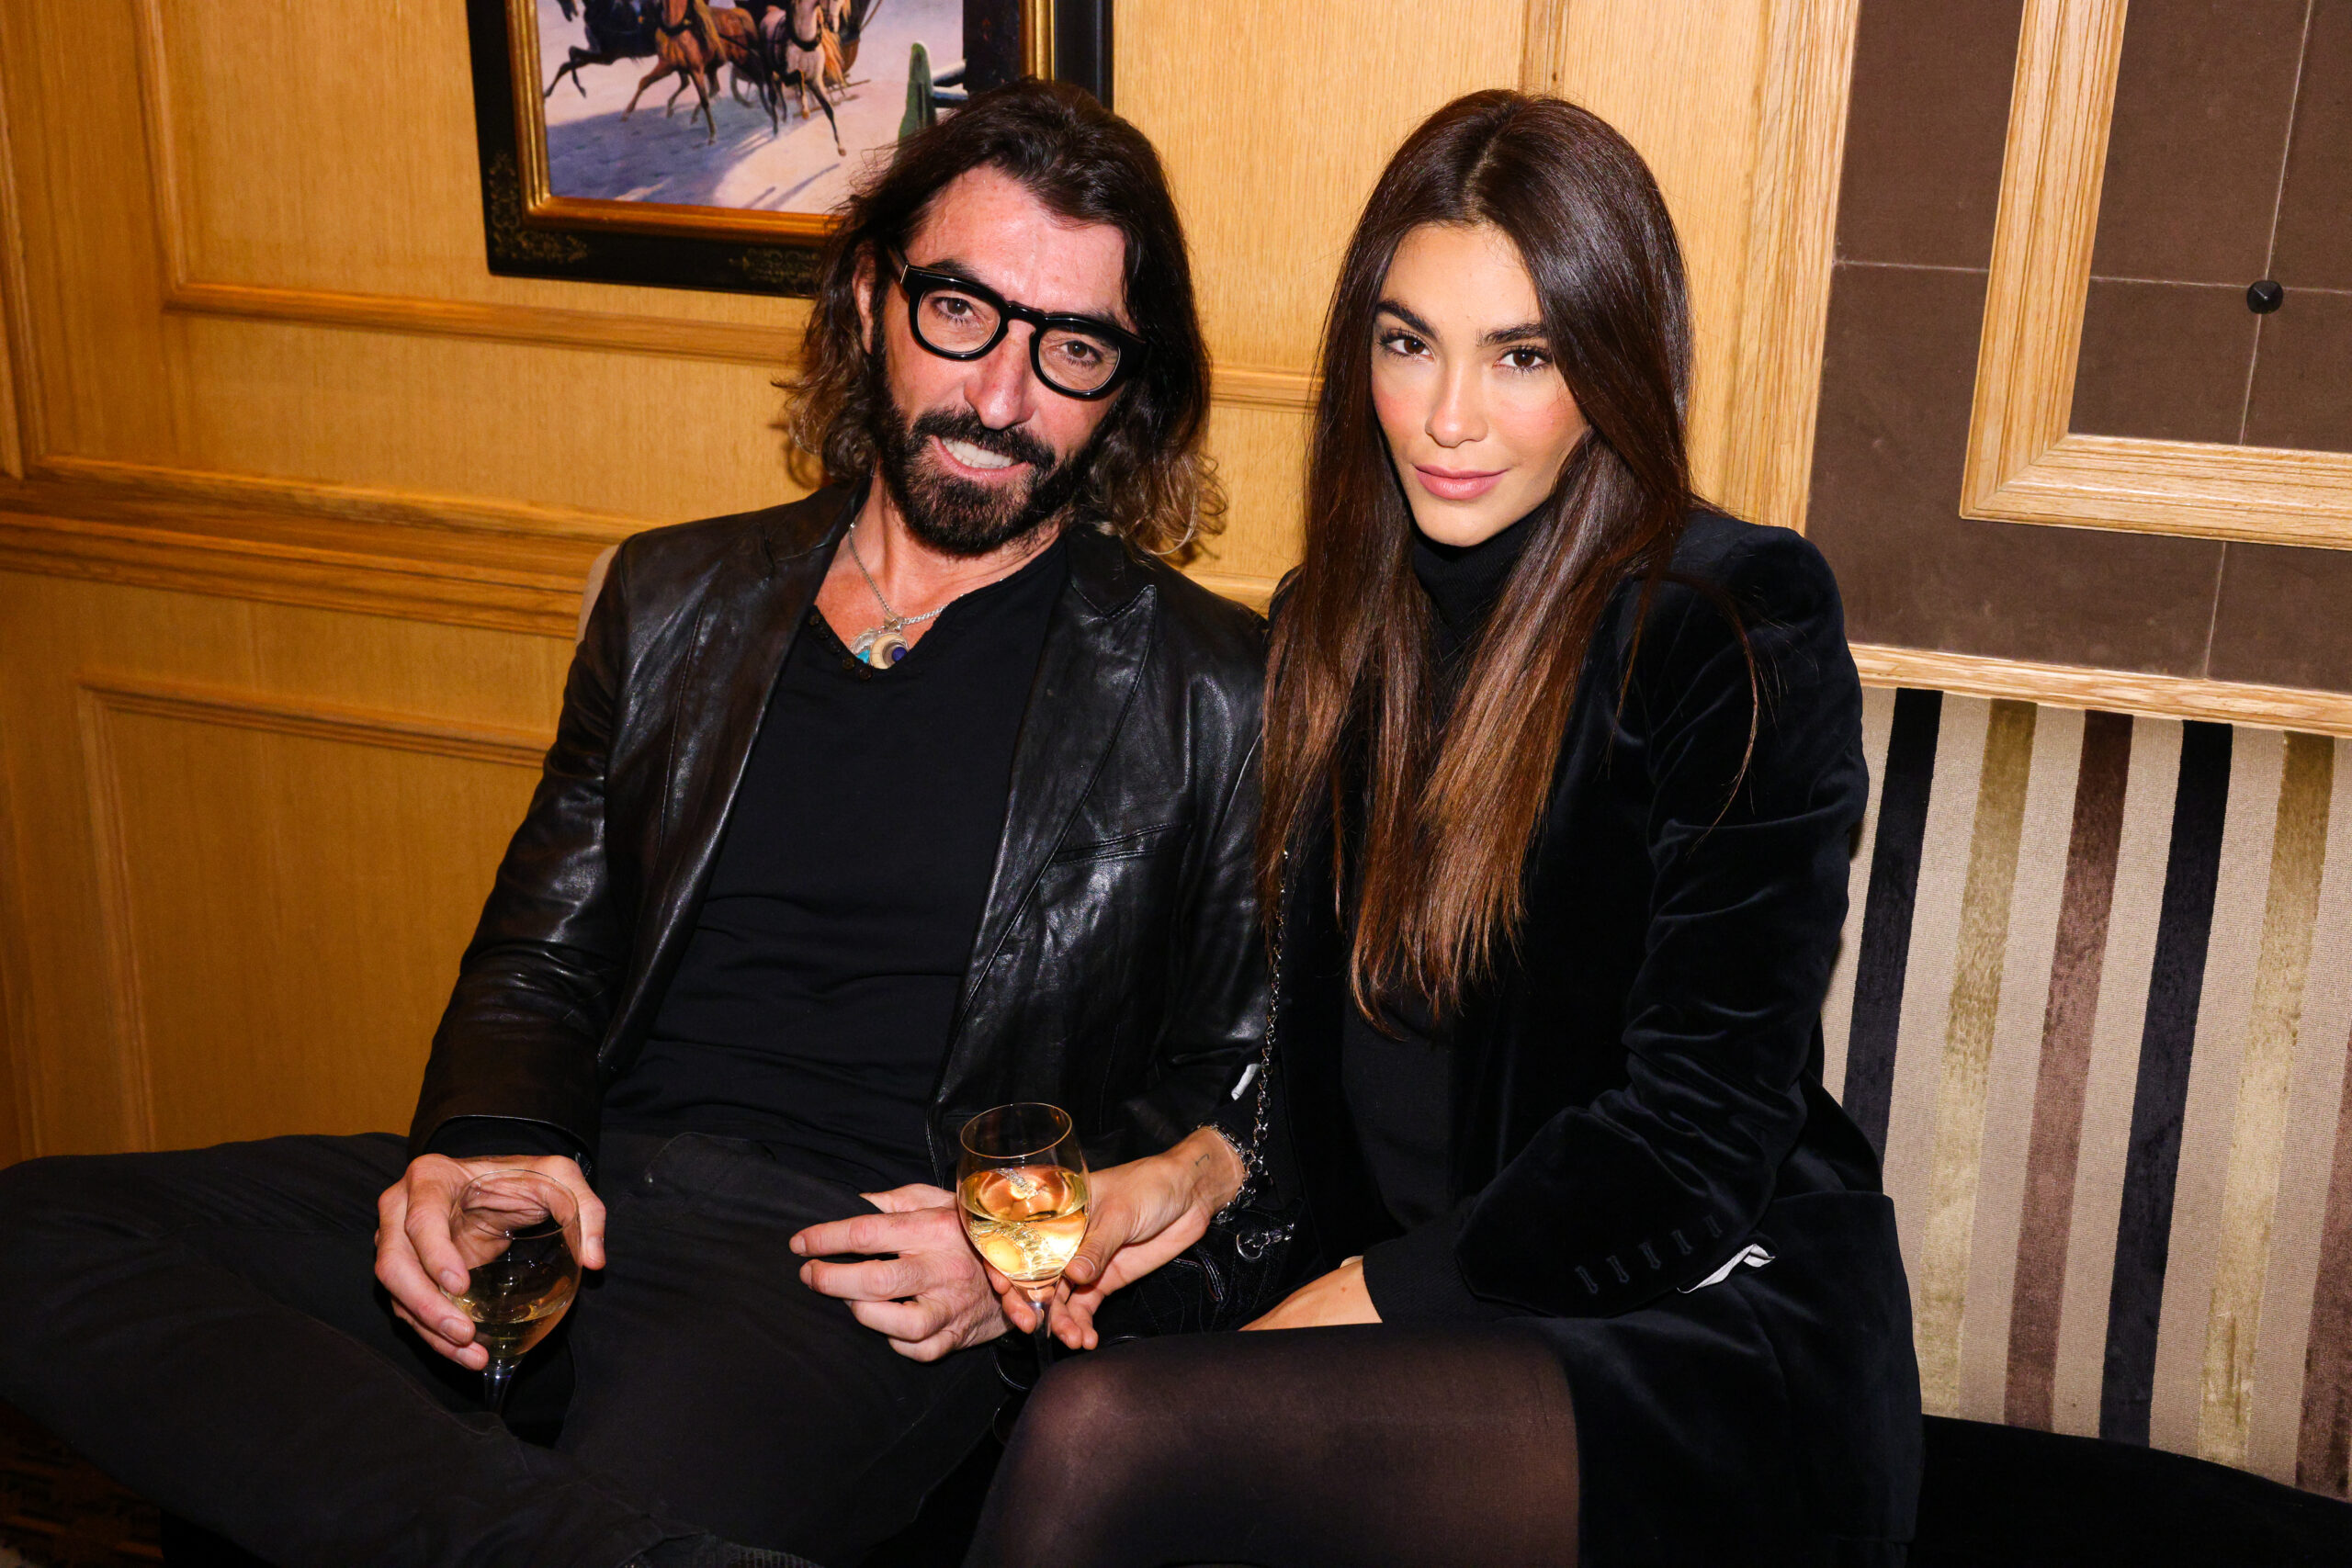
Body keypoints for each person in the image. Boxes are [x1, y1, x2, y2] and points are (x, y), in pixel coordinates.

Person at [0, 80, 1268, 1568]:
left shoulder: (1210, 688)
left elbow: (1242, 1090)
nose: (1000, 397)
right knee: (39, 1236)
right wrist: (486, 1148)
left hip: (845, 1274)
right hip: (584, 1192)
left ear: (1127, 388)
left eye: (1073, 349)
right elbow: (541, 960)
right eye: (959, 312)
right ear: (872, 298)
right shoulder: (672, 602)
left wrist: (1014, 1253)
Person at [966, 90, 1924, 1568]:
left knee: (1113, 1437)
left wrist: (1357, 1302)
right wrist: (1198, 1176)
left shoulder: (1728, 627)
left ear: (1612, 365)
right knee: (1060, 1385)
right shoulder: (1337, 626)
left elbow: (1691, 1143)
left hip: (1682, 1332)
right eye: (1408, 344)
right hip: (1421, 1311)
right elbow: (1327, 1075)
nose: (1447, 416)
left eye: (1522, 356)